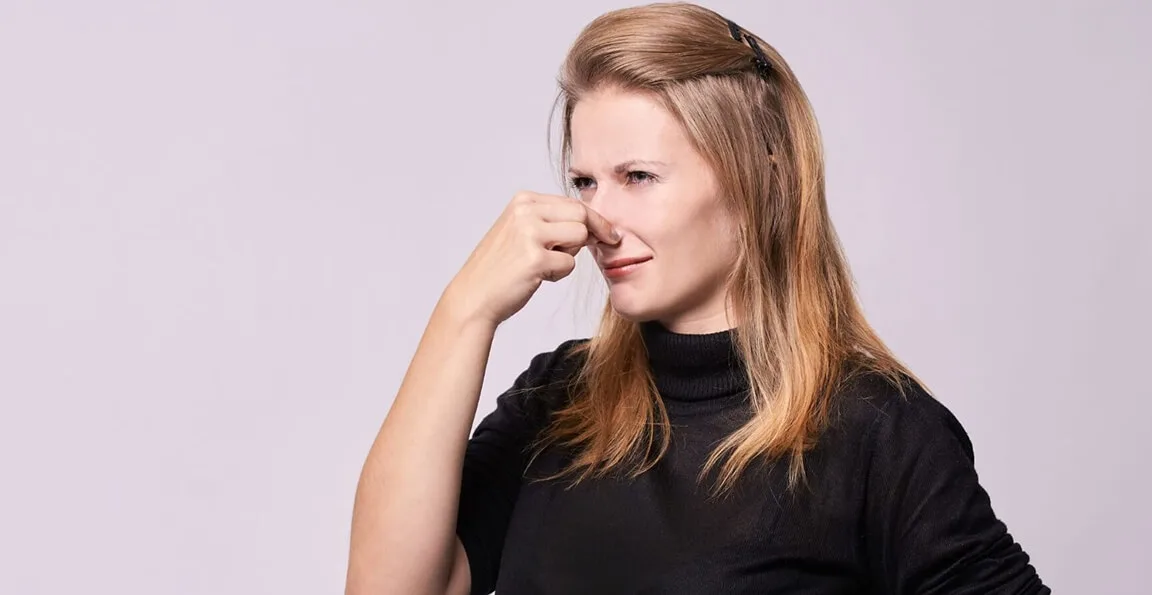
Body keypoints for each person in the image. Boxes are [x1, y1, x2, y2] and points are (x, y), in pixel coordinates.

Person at [345, 3, 1050, 594]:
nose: (601, 221)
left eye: (640, 176)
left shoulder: (878, 432)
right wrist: (464, 309)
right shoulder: (557, 398)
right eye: (586, 181)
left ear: (757, 177)